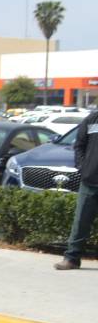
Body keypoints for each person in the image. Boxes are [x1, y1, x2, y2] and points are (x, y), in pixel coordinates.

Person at [55, 108, 98, 269]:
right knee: (80, 222)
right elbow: (79, 145)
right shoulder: (92, 119)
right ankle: (72, 258)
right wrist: (82, 166)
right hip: (90, 181)